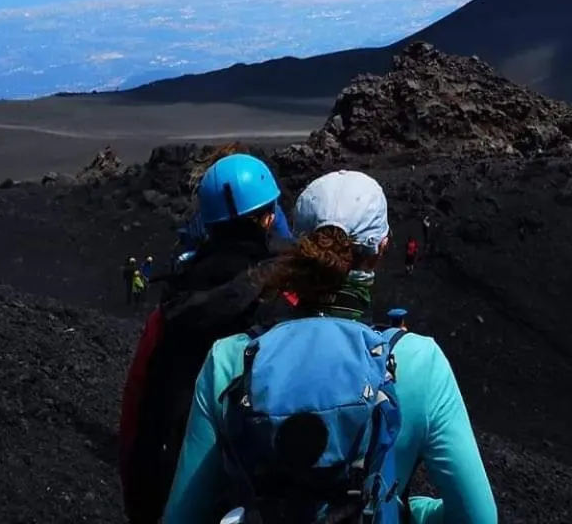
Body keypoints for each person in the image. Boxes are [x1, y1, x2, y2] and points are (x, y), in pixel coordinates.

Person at [162, 169, 497, 524]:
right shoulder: (419, 361)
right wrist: (410, 510)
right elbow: (479, 517)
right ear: (382, 249)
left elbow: (183, 516)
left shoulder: (231, 359)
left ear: (299, 247)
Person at [119, 152, 290, 524]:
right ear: (268, 218)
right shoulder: (284, 302)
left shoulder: (171, 309)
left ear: (209, 225)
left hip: (176, 484)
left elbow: (137, 416)